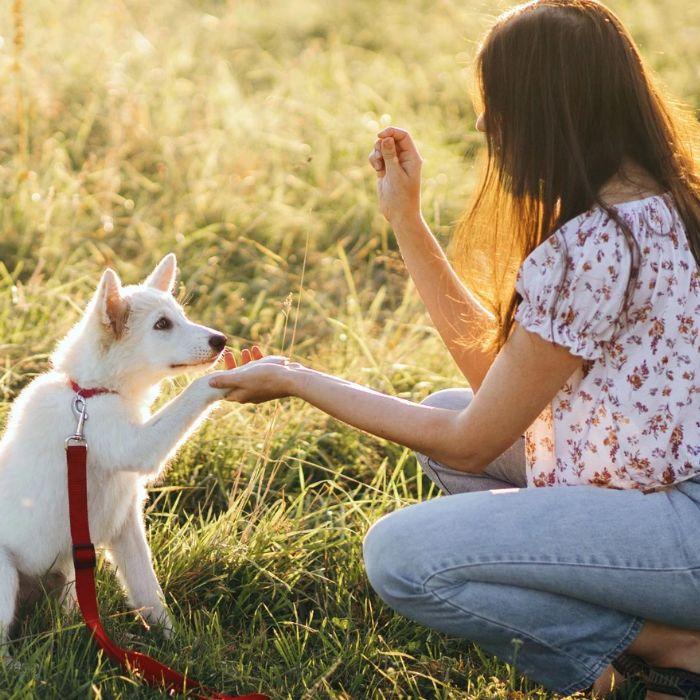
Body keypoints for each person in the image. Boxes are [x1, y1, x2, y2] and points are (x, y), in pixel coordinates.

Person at [208, 1, 700, 697]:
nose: (482, 124)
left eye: (495, 102)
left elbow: (472, 444)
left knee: (400, 556)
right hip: (669, 497)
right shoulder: (664, 204)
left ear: (544, 108)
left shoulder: (593, 247)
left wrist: (295, 379)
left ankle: (670, 650)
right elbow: (497, 394)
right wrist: (406, 222)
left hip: (686, 534)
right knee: (441, 416)